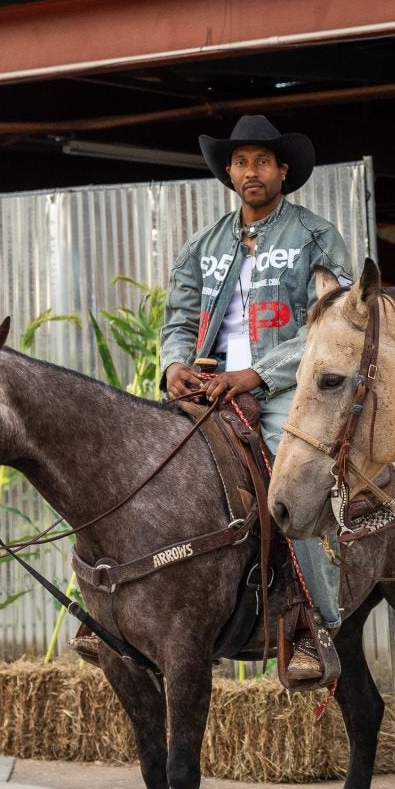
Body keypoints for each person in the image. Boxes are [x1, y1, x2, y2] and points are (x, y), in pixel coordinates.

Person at [160, 114, 355, 667]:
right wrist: (174, 364)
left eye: (263, 162)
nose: (252, 171)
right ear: (229, 171)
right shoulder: (203, 245)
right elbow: (178, 319)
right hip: (208, 391)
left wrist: (258, 373)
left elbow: (333, 326)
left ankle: (316, 622)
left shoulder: (316, 237)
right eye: (242, 162)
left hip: (287, 394)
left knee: (294, 489)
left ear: (283, 171)